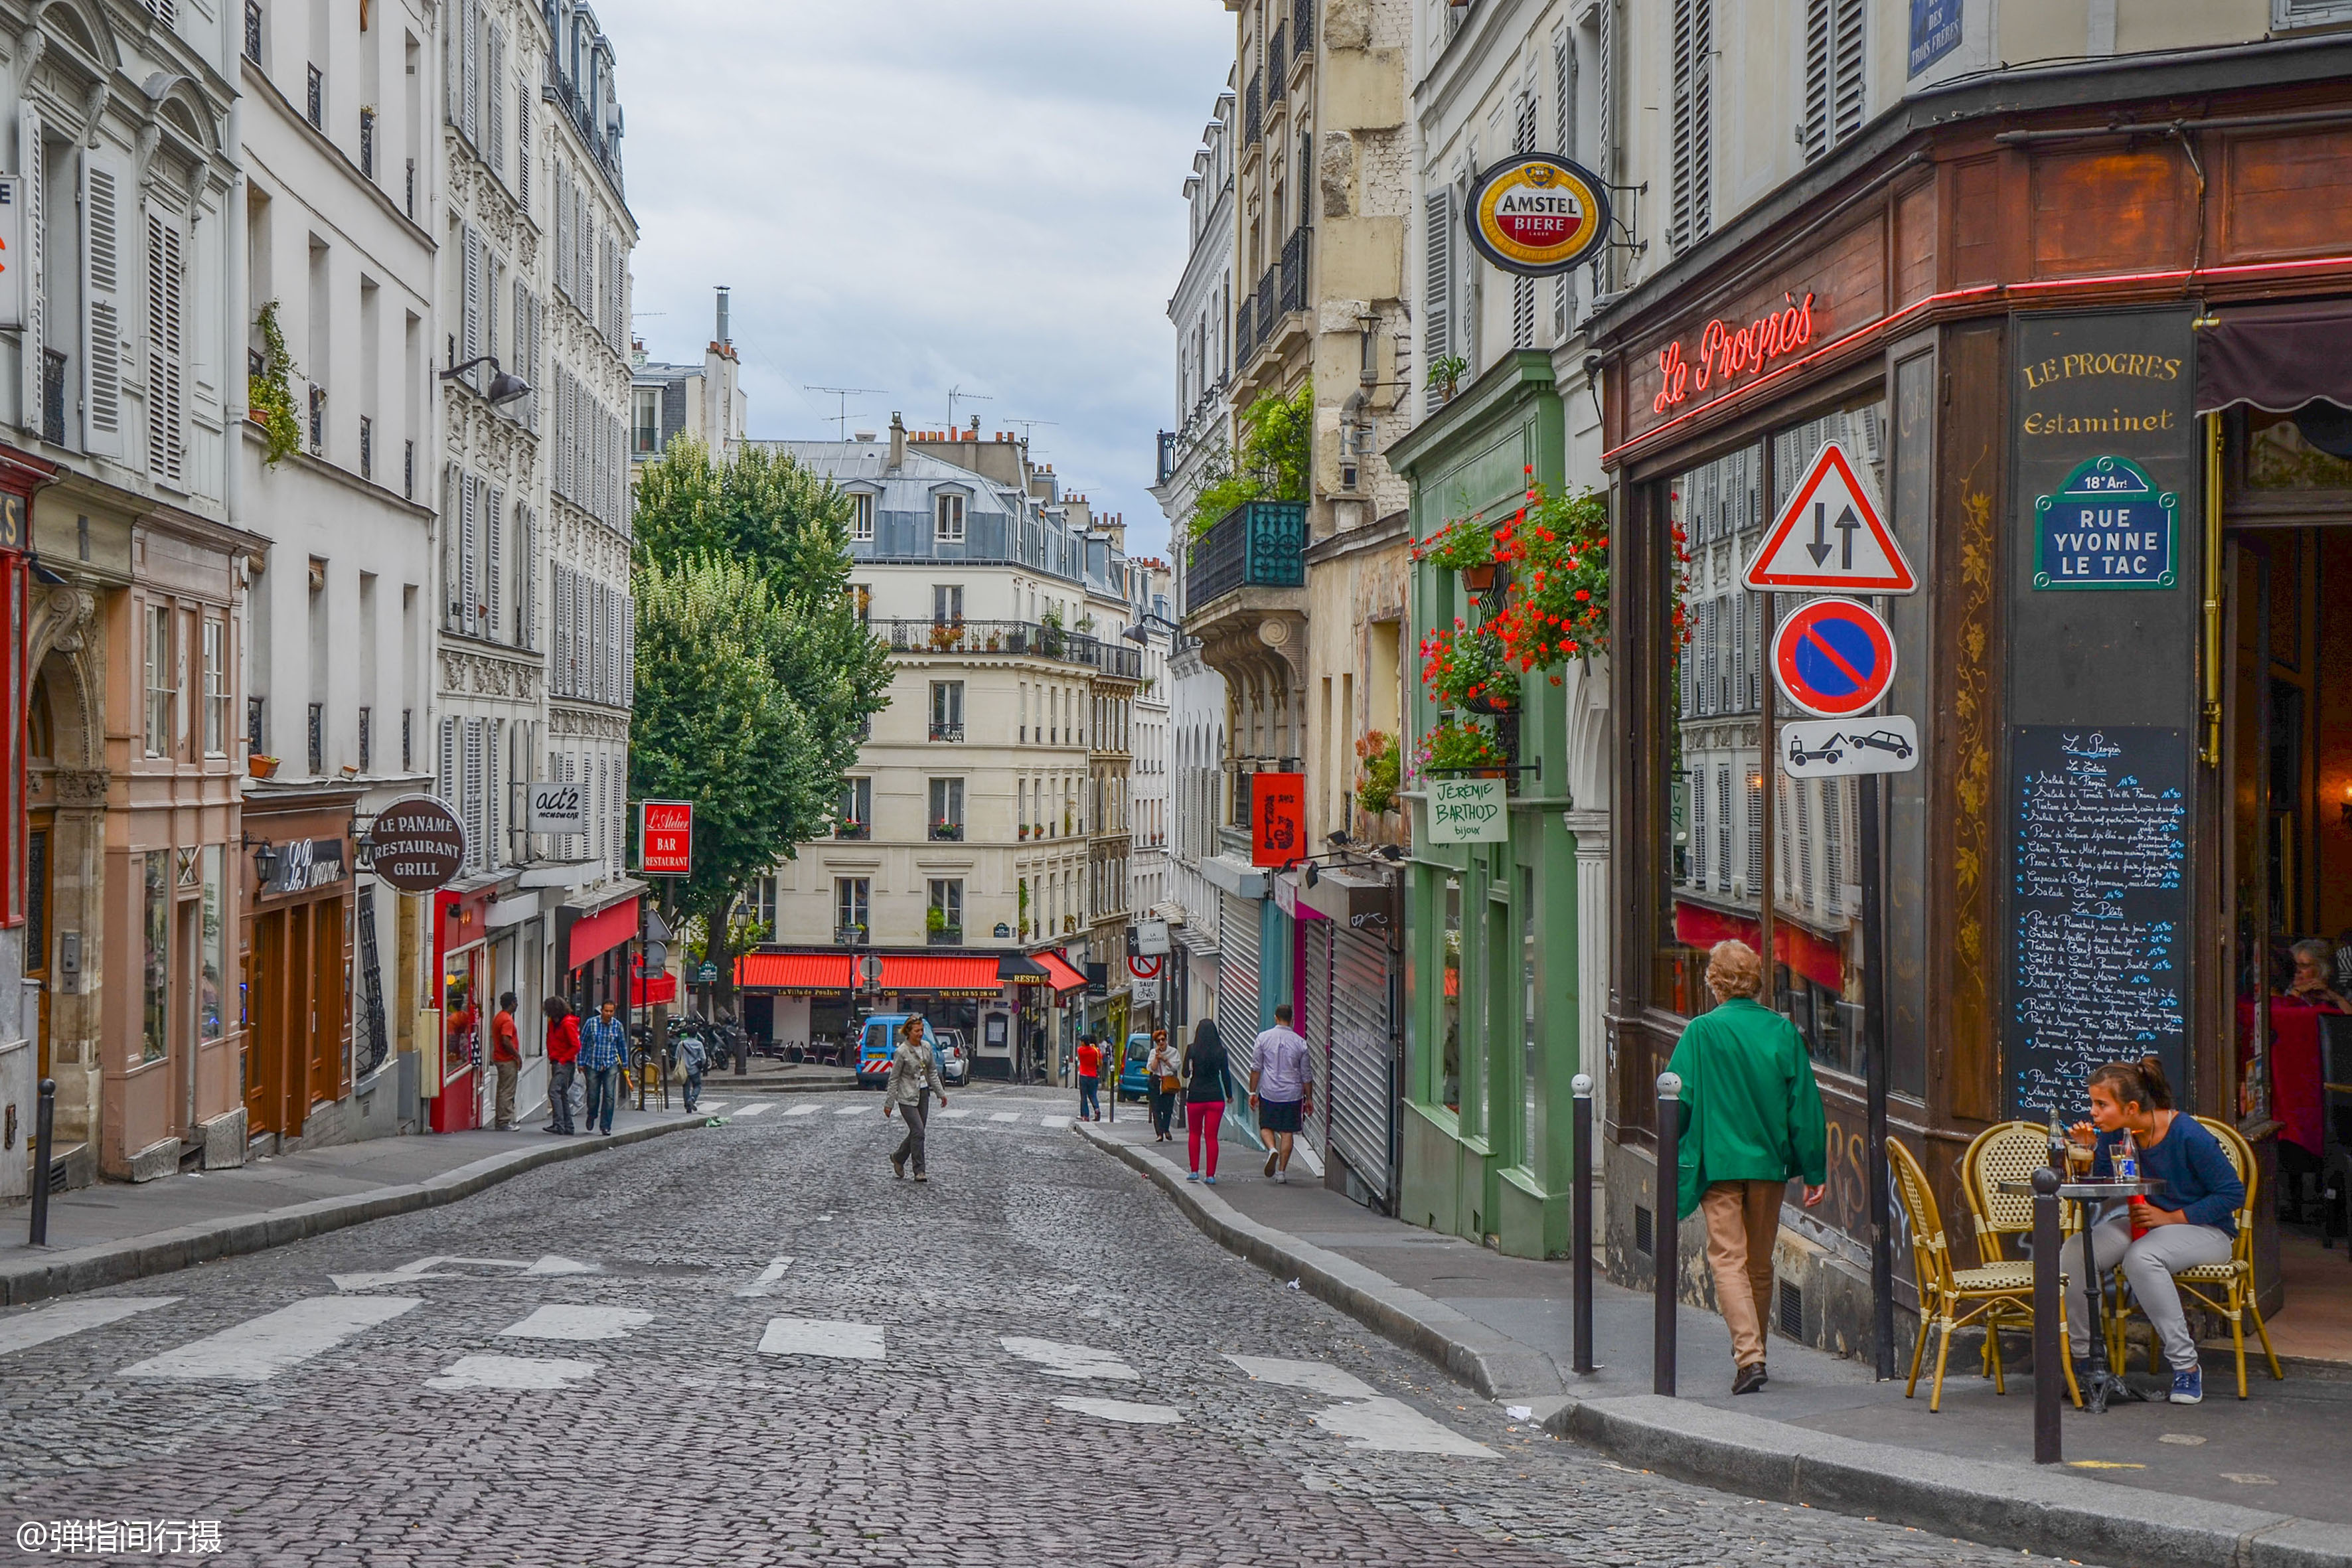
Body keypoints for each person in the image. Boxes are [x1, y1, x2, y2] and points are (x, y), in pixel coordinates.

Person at [1665, 939, 1828, 1396]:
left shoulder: (1701, 1032)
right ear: (1755, 982)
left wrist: (1674, 1148)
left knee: (1727, 1259)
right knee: (1757, 1262)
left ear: (1715, 983)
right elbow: (1804, 1109)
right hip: (1765, 1164)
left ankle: (1748, 1357)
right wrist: (1813, 1170)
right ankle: (1755, 1353)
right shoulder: (1780, 1032)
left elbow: (1676, 1101)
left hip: (1717, 1163)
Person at [2062, 1056, 2243, 1405]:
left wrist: (2172, 1218)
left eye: (2101, 1104)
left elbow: (2231, 1193)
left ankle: (2187, 1367)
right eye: (2093, 1104)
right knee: (2075, 1250)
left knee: (2141, 1259)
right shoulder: (2118, 1133)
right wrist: (2089, 1150)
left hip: (2206, 1231)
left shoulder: (2188, 1134)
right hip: (2144, 1222)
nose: (2094, 1112)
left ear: (2131, 1107)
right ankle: (2084, 1362)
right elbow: (2107, 1185)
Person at [1250, 1002, 1314, 1183]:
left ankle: (1272, 1149)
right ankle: (1281, 1173)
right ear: (1292, 1020)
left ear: (1276, 1018)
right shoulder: (1301, 1043)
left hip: (1270, 1091)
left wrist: (1252, 1092)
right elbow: (1306, 1074)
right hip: (1292, 1094)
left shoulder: (1263, 1038)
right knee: (1287, 1132)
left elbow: (1256, 1068)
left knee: (1266, 1127)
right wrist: (1309, 1098)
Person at [883, 1016, 948, 1181]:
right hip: (907, 1097)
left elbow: (932, 1072)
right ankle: (919, 1170)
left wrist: (941, 1093)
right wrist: (889, 1103)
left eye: (921, 1030)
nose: (920, 1034)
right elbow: (894, 1078)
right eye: (917, 1031)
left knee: (917, 1133)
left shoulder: (927, 1047)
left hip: (924, 1094)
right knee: (919, 1132)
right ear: (908, 1032)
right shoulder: (902, 1052)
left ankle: (898, 1158)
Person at [1182, 1019, 1230, 1184]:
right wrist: (1229, 1095)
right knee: (1212, 1137)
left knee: (1194, 1134)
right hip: (1215, 1097)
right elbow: (1225, 1075)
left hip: (1196, 1096)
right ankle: (1210, 1175)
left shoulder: (1192, 1049)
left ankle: (1194, 1171)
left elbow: (1185, 1074)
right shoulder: (1221, 1051)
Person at [579, 999, 629, 1136]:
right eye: (606, 1011)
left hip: (610, 1063)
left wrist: (625, 1064)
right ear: (602, 1011)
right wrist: (581, 1062)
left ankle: (606, 1126)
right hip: (593, 1063)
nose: (608, 1013)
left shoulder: (617, 1026)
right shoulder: (591, 1023)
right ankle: (592, 1114)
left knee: (609, 1096)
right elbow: (583, 1043)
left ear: (614, 1011)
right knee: (593, 1095)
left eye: (611, 1011)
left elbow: (622, 1046)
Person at [542, 998, 580, 1136]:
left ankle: (559, 1124)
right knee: (561, 1094)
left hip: (563, 1062)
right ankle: (567, 1125)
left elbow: (576, 1045)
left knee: (554, 1092)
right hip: (559, 1061)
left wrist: (562, 1060)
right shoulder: (556, 1023)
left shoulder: (566, 1024)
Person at [2286, 938, 2351, 1013]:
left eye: (2303, 965)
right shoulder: (2289, 991)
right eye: (2293, 965)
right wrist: (2294, 996)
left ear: (2323, 968)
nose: (2296, 971)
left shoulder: (2343, 993)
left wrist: (2338, 999)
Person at [489, 992, 522, 1130]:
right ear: (513, 1003)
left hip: (499, 1058)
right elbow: (506, 1040)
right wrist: (517, 1055)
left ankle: (500, 1120)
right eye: (516, 1002)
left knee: (502, 1089)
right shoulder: (507, 1020)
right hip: (506, 1059)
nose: (517, 1005)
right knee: (507, 1091)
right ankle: (504, 1121)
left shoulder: (499, 1017)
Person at [1146, 1028, 1180, 1142]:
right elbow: (1152, 1068)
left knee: (1168, 1108)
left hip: (1168, 1081)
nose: (1161, 1042)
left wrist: (1165, 1059)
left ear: (1166, 1040)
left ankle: (1166, 1129)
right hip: (1156, 1081)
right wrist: (1157, 1057)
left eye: (1163, 1039)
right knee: (1156, 1109)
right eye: (1158, 1041)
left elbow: (1175, 1067)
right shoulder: (1153, 1052)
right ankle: (1159, 1134)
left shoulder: (1173, 1052)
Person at [677, 1022, 708, 1115]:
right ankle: (693, 1099)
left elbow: (677, 1057)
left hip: (684, 1069)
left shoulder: (681, 1044)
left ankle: (688, 1106)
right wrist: (700, 1064)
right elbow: (704, 1058)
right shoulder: (699, 1044)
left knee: (686, 1087)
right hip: (695, 1069)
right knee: (697, 1085)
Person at [1075, 1032, 1104, 1122]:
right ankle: (1097, 1109)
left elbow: (1080, 1054)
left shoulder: (1080, 1050)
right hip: (1093, 1075)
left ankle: (1086, 1116)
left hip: (1083, 1075)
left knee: (1084, 1096)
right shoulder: (1096, 1051)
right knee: (1093, 1095)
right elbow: (1100, 1062)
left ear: (1083, 1042)